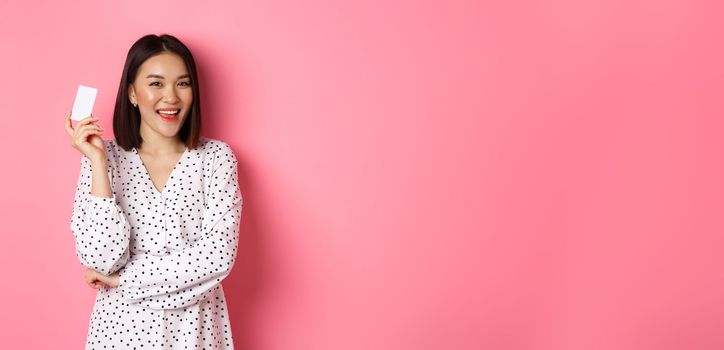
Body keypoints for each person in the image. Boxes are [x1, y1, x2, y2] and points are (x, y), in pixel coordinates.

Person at [64, 33, 242, 349]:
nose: (171, 97)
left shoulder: (216, 158)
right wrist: (97, 162)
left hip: (194, 332)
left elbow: (216, 258)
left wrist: (123, 280)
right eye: (156, 84)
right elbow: (100, 259)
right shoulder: (105, 158)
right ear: (132, 92)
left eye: (183, 84)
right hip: (119, 332)